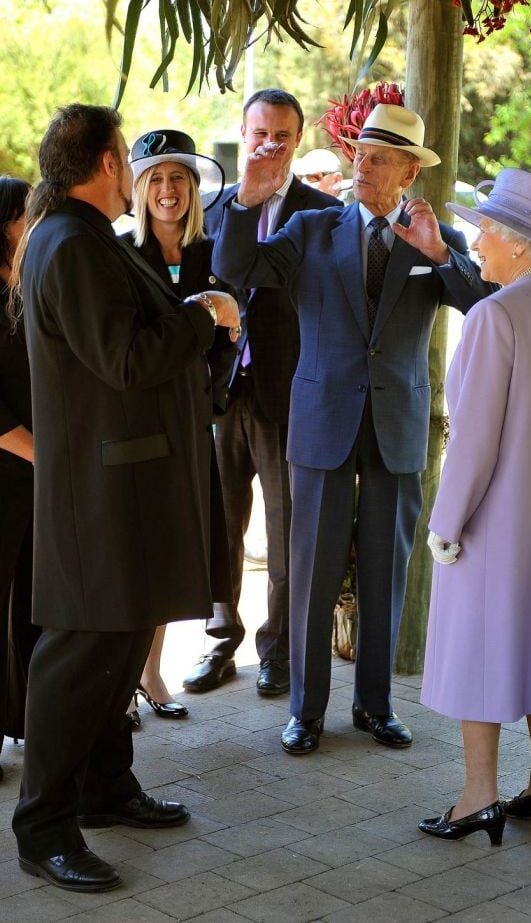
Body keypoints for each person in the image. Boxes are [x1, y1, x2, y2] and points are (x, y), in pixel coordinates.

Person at [213, 102, 496, 754]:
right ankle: (306, 710)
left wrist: (436, 254)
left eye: (375, 159)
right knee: (311, 570)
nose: (359, 165)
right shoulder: (311, 227)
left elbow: (483, 306)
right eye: (358, 154)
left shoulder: (434, 238)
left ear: (406, 173)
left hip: (395, 423)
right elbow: (240, 270)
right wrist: (243, 201)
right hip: (321, 420)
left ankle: (375, 704)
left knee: (383, 571)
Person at [10, 104, 240, 893]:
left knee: (116, 650)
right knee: (77, 656)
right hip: (96, 493)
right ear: (110, 164)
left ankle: (107, 786)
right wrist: (203, 317)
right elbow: (125, 357)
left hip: (127, 481)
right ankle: (43, 825)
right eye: (125, 157)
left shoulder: (78, 238)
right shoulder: (70, 244)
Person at [418, 168, 531, 846]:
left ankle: (477, 796)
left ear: (522, 244)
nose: (477, 243)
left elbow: (475, 437)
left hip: (494, 518)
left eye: (486, 231)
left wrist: (446, 522)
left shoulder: (496, 315)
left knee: (480, 653)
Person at [183, 89, 341, 699]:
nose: (269, 145)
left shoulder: (318, 213)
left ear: (297, 140)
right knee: (220, 525)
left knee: (285, 533)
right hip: (222, 394)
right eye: (259, 134)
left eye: (282, 134)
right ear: (242, 134)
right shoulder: (215, 208)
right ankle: (220, 640)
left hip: (284, 393)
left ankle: (278, 648)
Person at [122, 129, 237, 725]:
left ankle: (150, 671)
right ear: (139, 189)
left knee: (172, 548)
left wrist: (210, 398)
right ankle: (121, 682)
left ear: (193, 190)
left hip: (192, 425)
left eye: (178, 179)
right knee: (137, 548)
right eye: (156, 179)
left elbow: (229, 341)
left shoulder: (209, 254)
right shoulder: (120, 254)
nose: (168, 191)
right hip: (140, 424)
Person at [0, 177, 41, 779]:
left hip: (35, 473)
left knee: (32, 609)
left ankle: (32, 724)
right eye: (29, 213)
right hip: (12, 466)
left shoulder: (30, 288)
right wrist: (48, 457)